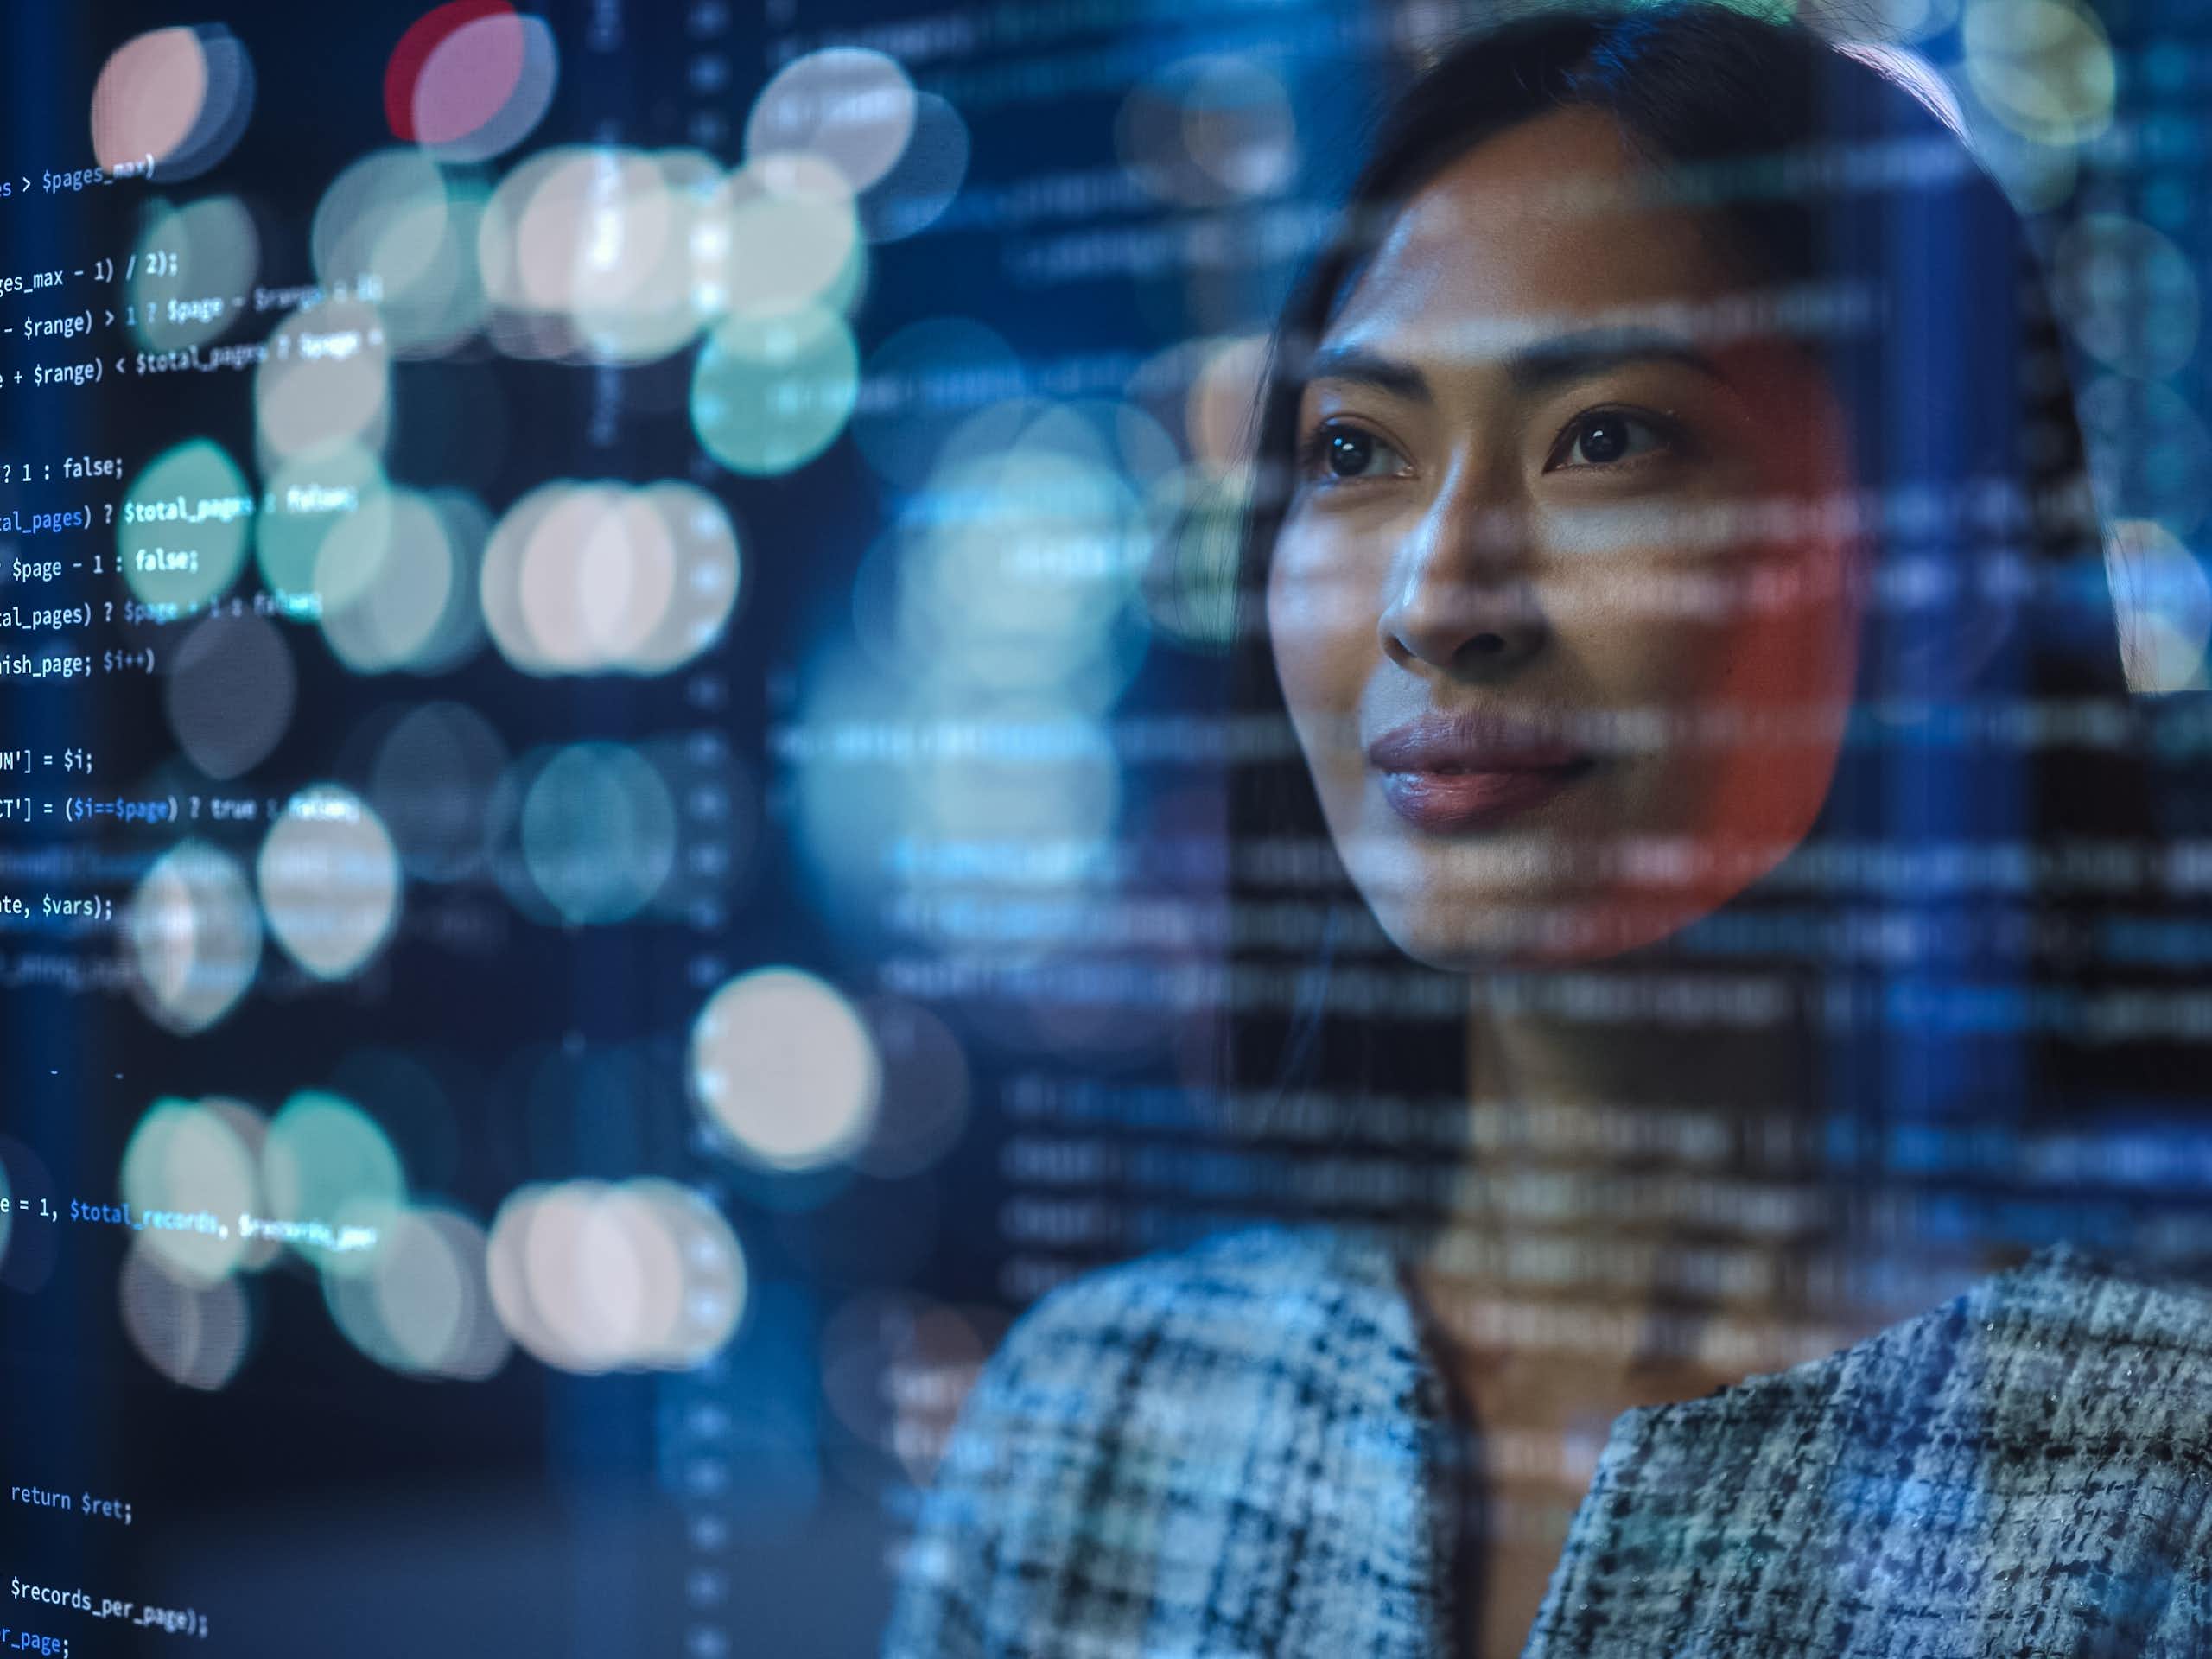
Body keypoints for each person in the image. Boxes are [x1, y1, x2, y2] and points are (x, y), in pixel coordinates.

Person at [882, 7, 2212, 1656]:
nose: (1441, 600)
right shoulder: (1106, 1425)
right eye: (1358, 452)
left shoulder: (2162, 1482)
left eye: (1609, 437)